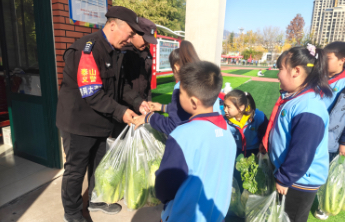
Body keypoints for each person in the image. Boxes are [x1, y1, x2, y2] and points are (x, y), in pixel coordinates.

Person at [56, 6, 150, 222]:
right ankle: (72, 213)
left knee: (98, 165)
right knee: (75, 170)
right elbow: (92, 94)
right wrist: (122, 112)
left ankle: (95, 199)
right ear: (114, 25)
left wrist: (139, 102)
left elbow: (122, 86)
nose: (131, 38)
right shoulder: (86, 50)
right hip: (78, 123)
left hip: (100, 122)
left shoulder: (117, 51)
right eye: (131, 33)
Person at [153, 61, 236, 222]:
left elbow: (165, 187)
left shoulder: (182, 135)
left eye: (180, 93)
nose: (177, 97)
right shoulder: (227, 132)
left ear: (193, 102)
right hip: (215, 216)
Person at [262, 45, 332, 222]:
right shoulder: (296, 98)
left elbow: (302, 151)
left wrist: (285, 178)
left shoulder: (308, 107)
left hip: (298, 182)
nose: (277, 74)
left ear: (296, 71)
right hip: (292, 178)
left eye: (280, 69)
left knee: (291, 218)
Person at [133, 40, 199, 134]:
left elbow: (172, 126)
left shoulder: (181, 88)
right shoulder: (204, 84)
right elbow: (183, 111)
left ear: (176, 67)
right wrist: (162, 107)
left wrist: (149, 117)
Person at [314, 42, 345, 220]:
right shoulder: (319, 77)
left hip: (331, 138)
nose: (324, 62)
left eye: (328, 58)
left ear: (342, 60)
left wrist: (343, 142)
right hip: (313, 133)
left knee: (328, 173)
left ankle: (324, 205)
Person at [112, 17, 157, 138]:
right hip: (124, 111)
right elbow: (120, 85)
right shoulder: (122, 52)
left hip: (141, 108)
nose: (147, 43)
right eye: (145, 39)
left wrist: (149, 102)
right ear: (134, 34)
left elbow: (147, 82)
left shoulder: (146, 54)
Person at [224, 90, 268, 158]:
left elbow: (266, 131)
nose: (225, 110)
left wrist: (263, 143)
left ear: (241, 108)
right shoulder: (225, 120)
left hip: (255, 149)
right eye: (224, 106)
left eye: (228, 107)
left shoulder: (257, 116)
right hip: (236, 148)